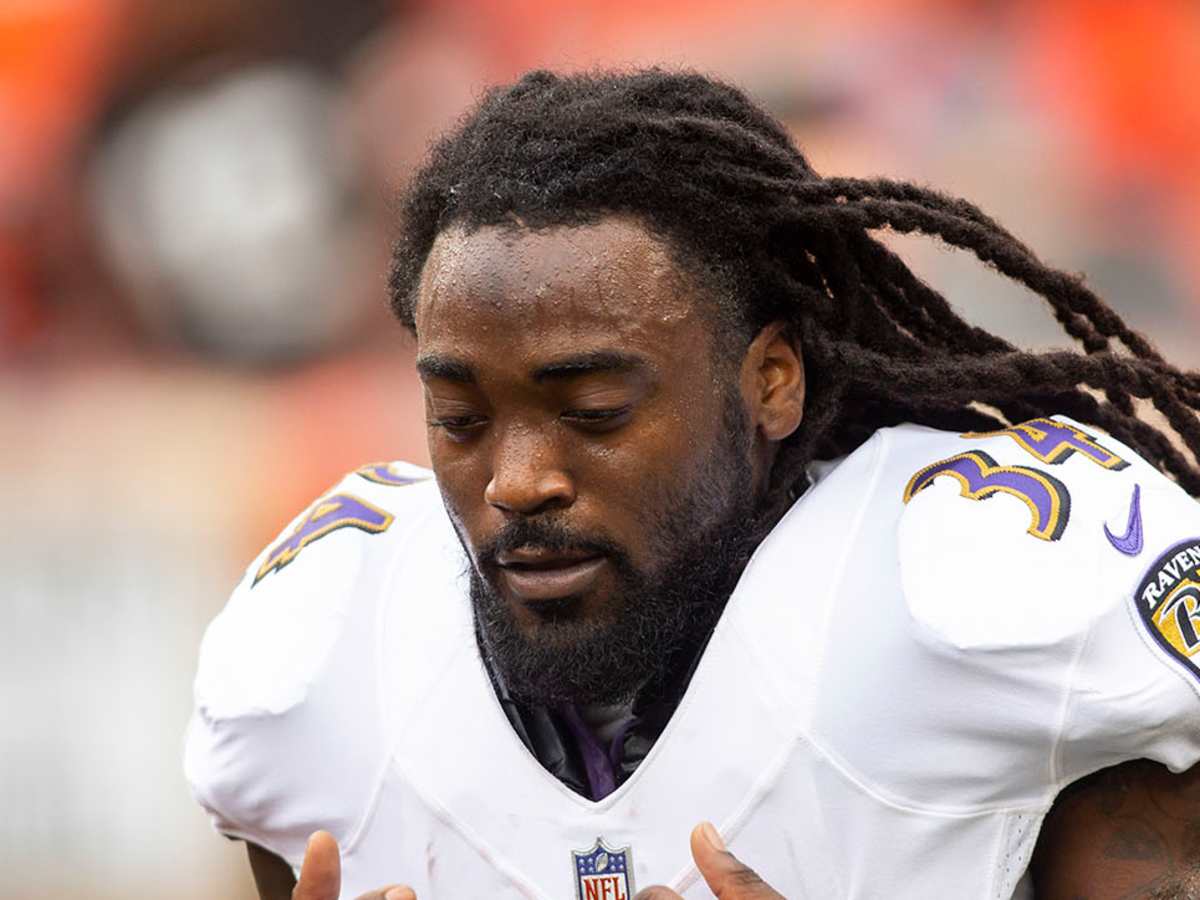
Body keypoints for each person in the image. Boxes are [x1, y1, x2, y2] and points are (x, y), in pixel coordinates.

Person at [184, 69, 1200, 899]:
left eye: (594, 412)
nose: (518, 483)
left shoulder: (978, 591)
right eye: (460, 419)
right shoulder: (323, 654)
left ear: (771, 382)